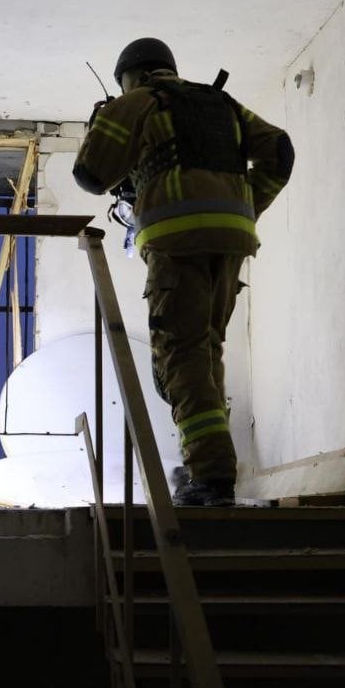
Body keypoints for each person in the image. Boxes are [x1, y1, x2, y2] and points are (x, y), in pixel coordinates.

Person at [72, 38, 294, 506]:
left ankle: (211, 477)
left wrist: (101, 124)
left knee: (181, 355)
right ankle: (208, 467)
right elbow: (281, 150)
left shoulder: (136, 101)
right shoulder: (221, 103)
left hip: (176, 239)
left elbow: (90, 176)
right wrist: (243, 205)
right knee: (205, 348)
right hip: (231, 238)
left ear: (131, 77)